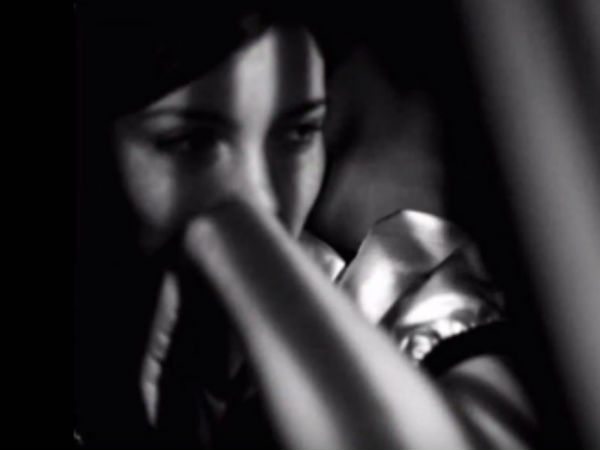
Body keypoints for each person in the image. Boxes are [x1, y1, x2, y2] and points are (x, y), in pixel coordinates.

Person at [75, 2, 537, 448]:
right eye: (191, 142)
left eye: (298, 133)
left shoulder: (402, 297)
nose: (262, 198)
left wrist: (232, 247)